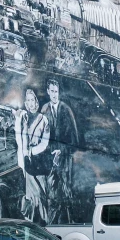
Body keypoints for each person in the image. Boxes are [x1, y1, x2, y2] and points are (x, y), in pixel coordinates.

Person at [41, 78, 79, 223]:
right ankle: (51, 228)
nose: (55, 94)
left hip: (65, 160)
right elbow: (41, 138)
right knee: (51, 194)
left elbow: (74, 140)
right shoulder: (44, 110)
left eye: (57, 91)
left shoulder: (66, 110)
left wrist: (61, 151)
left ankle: (70, 223)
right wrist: (50, 153)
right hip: (50, 160)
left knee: (67, 192)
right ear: (48, 92)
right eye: (52, 91)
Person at [14, 88, 51, 223]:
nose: (30, 103)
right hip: (26, 165)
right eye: (28, 100)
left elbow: (45, 144)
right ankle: (31, 229)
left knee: (41, 197)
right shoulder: (23, 118)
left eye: (32, 100)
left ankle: (45, 226)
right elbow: (19, 140)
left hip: (39, 165)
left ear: (36, 101)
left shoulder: (44, 120)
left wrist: (30, 152)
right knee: (30, 200)